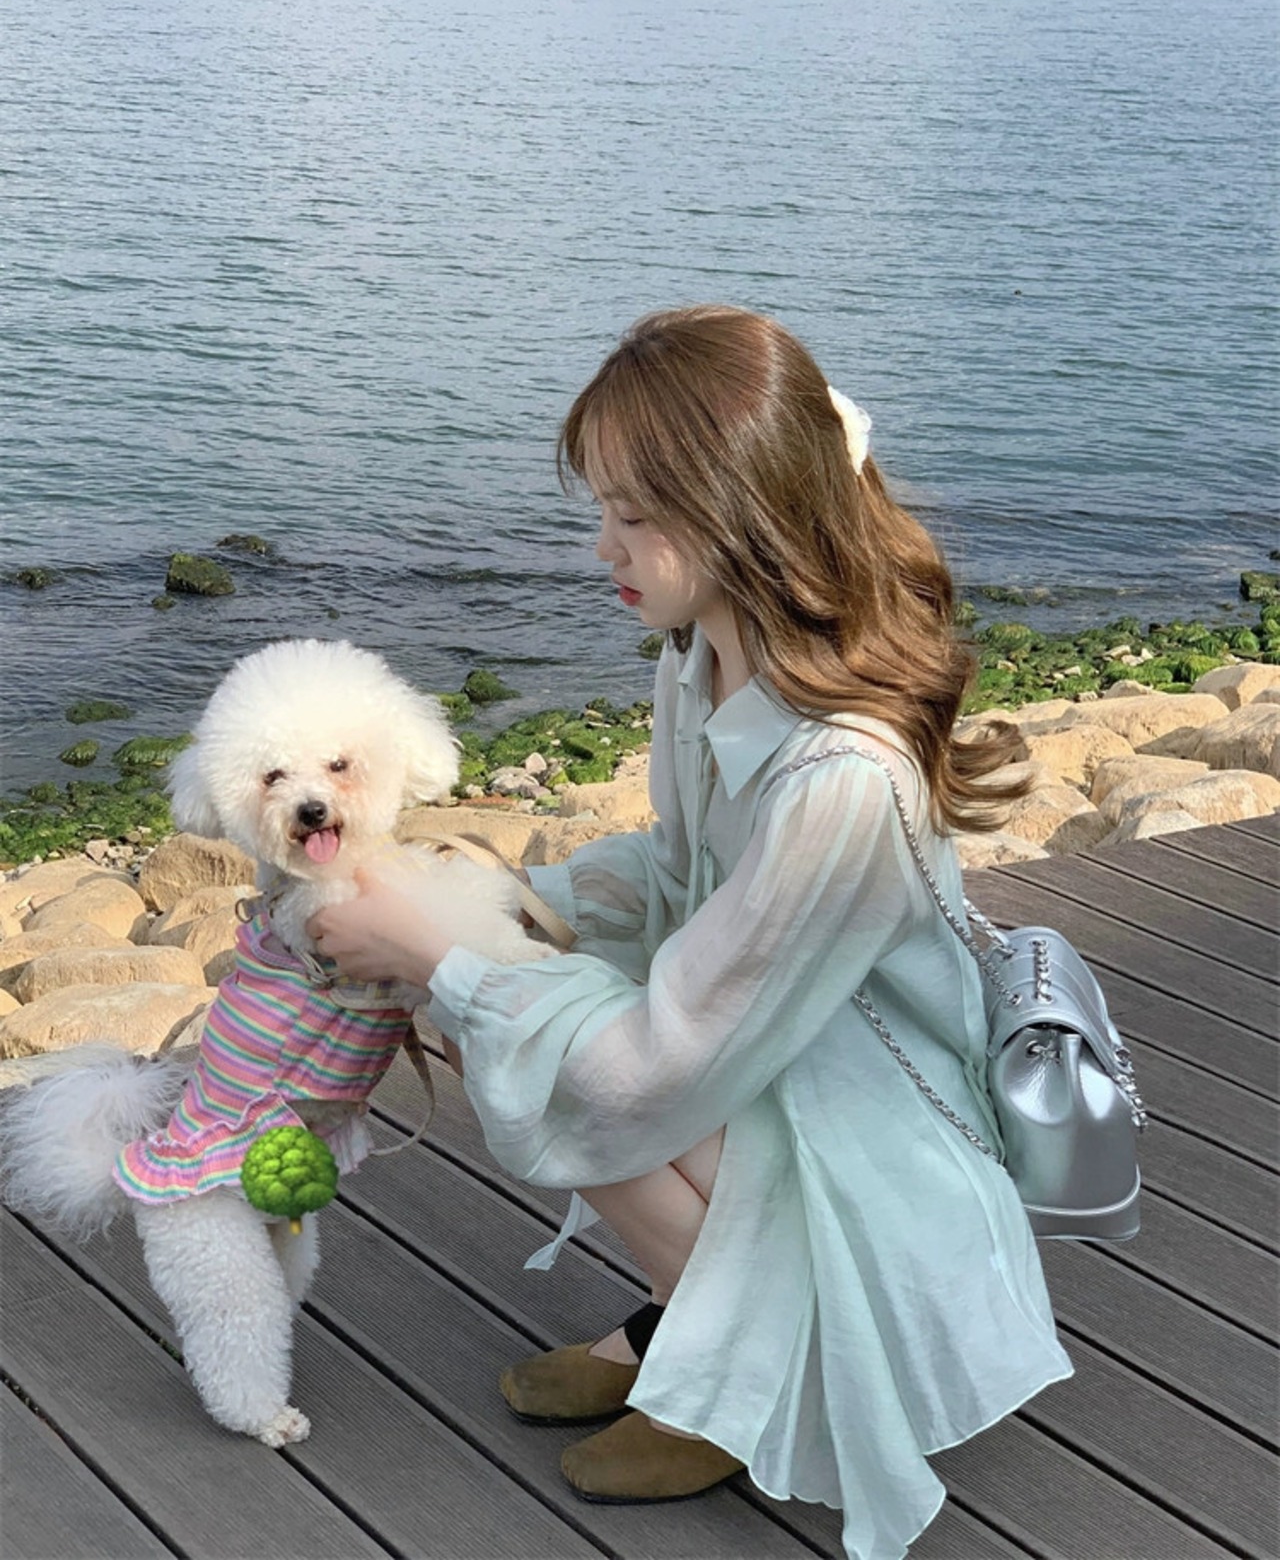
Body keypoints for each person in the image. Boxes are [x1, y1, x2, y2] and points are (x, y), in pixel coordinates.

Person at [309, 305, 1073, 1560]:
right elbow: (678, 873)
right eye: (601, 508)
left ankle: (754, 1369)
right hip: (791, 1055)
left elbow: (648, 1068)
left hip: (879, 1125)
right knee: (508, 985)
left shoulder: (844, 775)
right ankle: (690, 1316)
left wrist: (440, 957)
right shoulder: (704, 656)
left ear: (741, 511)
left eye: (635, 514)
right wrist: (510, 897)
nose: (602, 545)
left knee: (538, 1043)